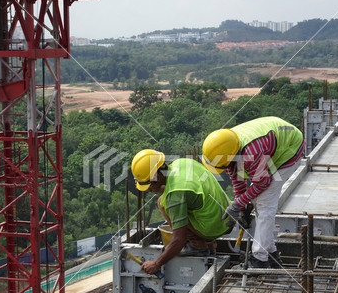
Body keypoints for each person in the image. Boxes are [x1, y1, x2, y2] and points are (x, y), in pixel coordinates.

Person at [202, 116, 305, 269]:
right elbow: (236, 176)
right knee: (258, 202)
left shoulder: (251, 153)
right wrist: (241, 207)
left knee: (264, 203)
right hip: (270, 144)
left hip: (290, 147)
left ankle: (260, 259)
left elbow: (262, 183)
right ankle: (271, 254)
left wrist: (237, 204)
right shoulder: (229, 145)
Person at [131, 149, 232, 275]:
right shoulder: (180, 164)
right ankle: (209, 244)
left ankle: (197, 246)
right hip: (225, 215)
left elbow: (180, 239)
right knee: (165, 199)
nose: (149, 189)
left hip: (214, 227)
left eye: (149, 184)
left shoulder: (175, 196)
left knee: (163, 203)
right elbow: (177, 189)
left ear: (158, 176)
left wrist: (156, 263)